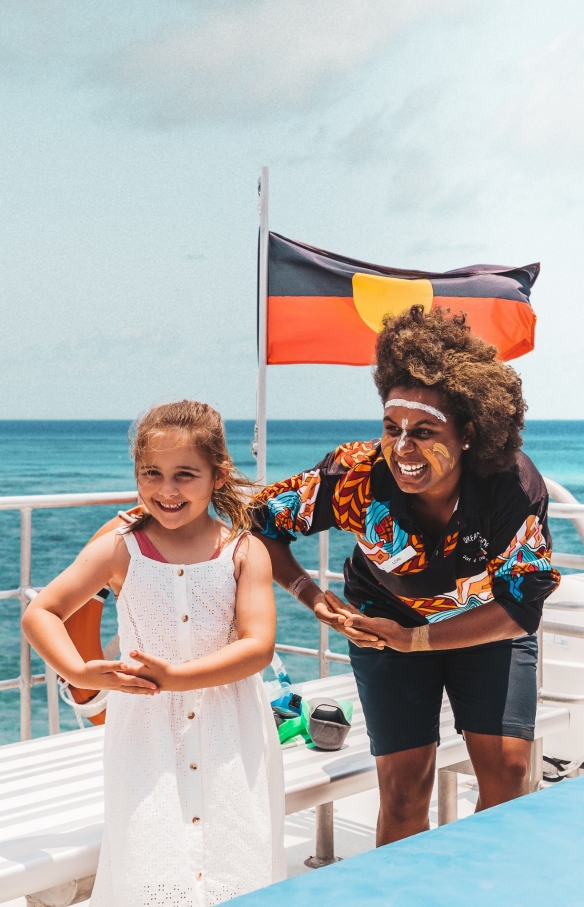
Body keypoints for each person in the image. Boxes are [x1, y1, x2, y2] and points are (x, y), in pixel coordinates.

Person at [252, 305, 559, 846]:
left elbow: (520, 608)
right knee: (402, 793)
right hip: (383, 629)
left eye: (423, 430)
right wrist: (308, 593)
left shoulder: (511, 487)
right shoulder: (355, 475)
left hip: (486, 628)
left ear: (468, 432)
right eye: (392, 428)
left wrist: (419, 639)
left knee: (509, 779)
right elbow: (260, 520)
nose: (403, 447)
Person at [22, 400, 286, 906]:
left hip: (231, 731)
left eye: (185, 475)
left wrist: (178, 676)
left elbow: (258, 647)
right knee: (150, 846)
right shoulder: (121, 547)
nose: (167, 490)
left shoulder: (243, 550)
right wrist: (79, 670)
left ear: (218, 476)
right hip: (145, 734)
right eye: (152, 474)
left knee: (236, 846)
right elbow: (42, 612)